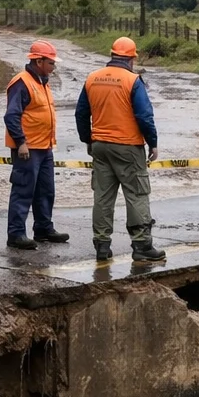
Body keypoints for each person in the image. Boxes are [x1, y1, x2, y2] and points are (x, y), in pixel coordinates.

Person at [76, 36, 164, 263]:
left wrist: (88, 140)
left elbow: (81, 114)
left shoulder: (92, 79)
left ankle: (102, 246)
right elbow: (144, 116)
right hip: (128, 147)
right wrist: (152, 142)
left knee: (103, 197)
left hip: (100, 146)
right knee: (136, 195)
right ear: (131, 59)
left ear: (113, 55)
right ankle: (142, 246)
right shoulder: (133, 81)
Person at [3, 40, 69, 250]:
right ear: (39, 61)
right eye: (51, 63)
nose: (54, 67)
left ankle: (43, 229)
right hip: (28, 149)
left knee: (46, 190)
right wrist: (21, 143)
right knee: (23, 191)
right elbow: (12, 116)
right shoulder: (21, 82)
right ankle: (16, 234)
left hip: (44, 147)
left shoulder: (43, 81)